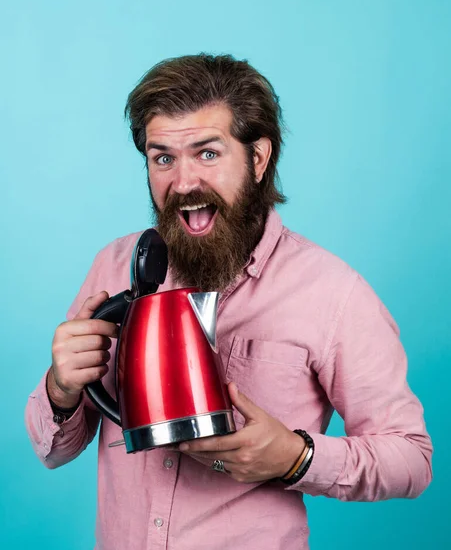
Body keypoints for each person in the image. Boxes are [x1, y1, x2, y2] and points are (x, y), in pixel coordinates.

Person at [25, 54, 433, 550]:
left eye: (208, 154)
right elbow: (53, 451)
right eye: (163, 158)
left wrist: (295, 457)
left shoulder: (333, 293)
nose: (184, 182)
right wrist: (61, 387)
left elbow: (411, 460)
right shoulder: (115, 265)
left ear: (258, 159)